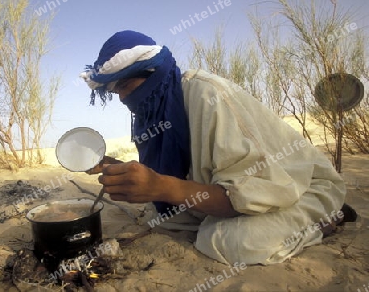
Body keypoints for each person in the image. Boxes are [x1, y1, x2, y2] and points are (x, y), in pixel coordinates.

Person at [80, 30, 352, 265]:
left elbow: (249, 193)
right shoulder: (155, 110)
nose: (124, 98)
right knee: (164, 221)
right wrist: (121, 169)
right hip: (232, 192)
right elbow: (166, 170)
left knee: (226, 241)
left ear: (154, 72)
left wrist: (162, 188)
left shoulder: (208, 95)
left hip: (300, 189)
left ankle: (324, 219)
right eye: (117, 92)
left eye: (126, 85)